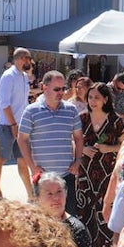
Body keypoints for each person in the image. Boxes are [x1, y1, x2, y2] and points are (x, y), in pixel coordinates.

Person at [18, 71, 84, 216]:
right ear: (44, 87)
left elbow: (79, 137)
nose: (61, 92)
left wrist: (78, 161)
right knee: (43, 220)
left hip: (66, 176)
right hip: (42, 178)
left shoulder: (71, 110)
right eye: (56, 89)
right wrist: (32, 167)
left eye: (63, 88)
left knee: (68, 218)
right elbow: (22, 139)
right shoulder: (31, 111)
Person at [76, 82, 124, 247]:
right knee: (86, 211)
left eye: (97, 97)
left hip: (108, 174)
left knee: (106, 211)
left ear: (105, 99)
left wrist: (109, 148)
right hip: (85, 173)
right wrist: (83, 149)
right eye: (90, 97)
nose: (92, 101)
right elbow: (72, 142)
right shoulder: (82, 118)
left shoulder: (115, 120)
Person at [0, 48, 36, 199]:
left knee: (23, 160)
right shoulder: (8, 77)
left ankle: (30, 195)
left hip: (21, 126)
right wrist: (13, 125)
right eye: (28, 59)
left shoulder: (24, 76)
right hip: (7, 126)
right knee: (1, 160)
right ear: (21, 59)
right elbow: (4, 104)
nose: (30, 62)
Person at [34, 172, 90, 247]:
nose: (56, 198)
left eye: (59, 191)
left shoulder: (77, 229)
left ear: (66, 193)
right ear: (37, 198)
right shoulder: (29, 225)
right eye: (49, 193)